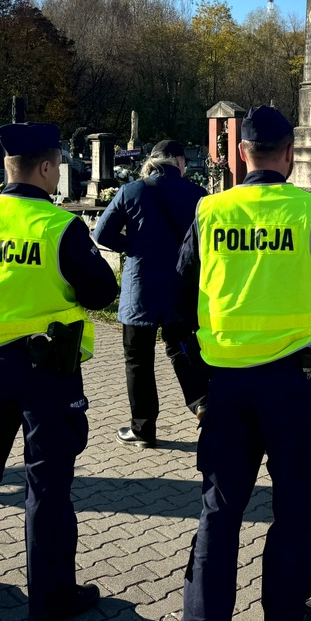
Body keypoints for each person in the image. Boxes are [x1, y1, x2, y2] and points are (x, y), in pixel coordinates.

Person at [177, 106, 311, 621]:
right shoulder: (310, 212)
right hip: (294, 385)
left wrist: (196, 376)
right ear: (289, 155)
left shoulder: (209, 212)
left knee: (219, 510)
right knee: (296, 507)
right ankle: (285, 620)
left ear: (241, 155)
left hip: (225, 385)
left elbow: (178, 300)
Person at [0, 123, 118, 621]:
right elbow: (102, 291)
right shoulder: (58, 226)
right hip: (47, 374)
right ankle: (51, 599)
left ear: (4, 166)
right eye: (58, 165)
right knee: (47, 487)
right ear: (46, 168)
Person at [93, 139, 209, 448]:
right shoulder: (199, 196)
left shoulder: (132, 190)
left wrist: (132, 247)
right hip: (181, 288)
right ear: (178, 161)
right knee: (183, 350)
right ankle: (203, 405)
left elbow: (101, 233)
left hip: (141, 288)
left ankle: (143, 428)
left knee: (138, 360)